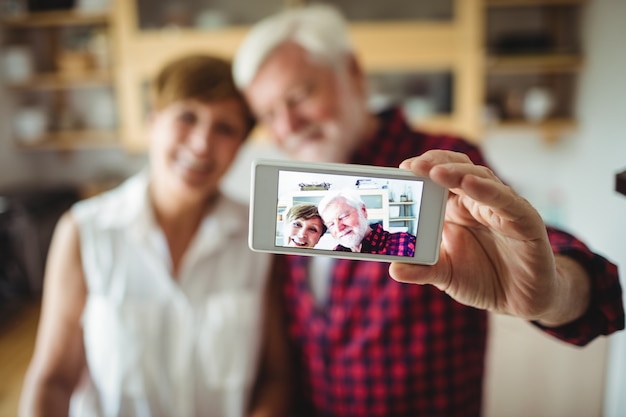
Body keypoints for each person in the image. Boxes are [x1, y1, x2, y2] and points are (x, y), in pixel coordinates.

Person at [232, 4, 624, 416]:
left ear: (352, 72)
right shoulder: (296, 201)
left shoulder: (442, 164)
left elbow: (559, 266)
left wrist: (555, 292)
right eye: (269, 115)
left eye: (299, 97)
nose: (287, 126)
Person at [19, 54, 292, 417]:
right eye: (187, 117)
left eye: (225, 129)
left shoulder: (260, 238)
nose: (201, 144)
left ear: (240, 146)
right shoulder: (85, 231)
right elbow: (52, 379)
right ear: (152, 121)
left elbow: (277, 378)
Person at [317, 188, 415, 256]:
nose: (339, 228)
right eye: (331, 224)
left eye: (344, 217)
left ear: (363, 210)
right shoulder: (336, 254)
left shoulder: (405, 244)